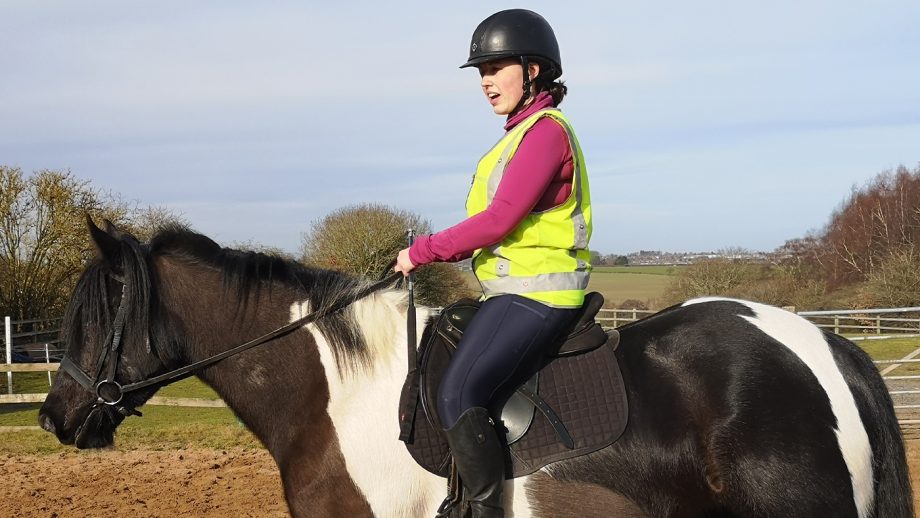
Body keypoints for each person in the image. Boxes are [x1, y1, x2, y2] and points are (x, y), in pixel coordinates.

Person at [394, 9, 592, 518]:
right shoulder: (516, 134)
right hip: (510, 294)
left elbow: (499, 219)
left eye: (496, 67)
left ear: (532, 71)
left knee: (458, 392)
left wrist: (423, 251)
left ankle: (483, 513)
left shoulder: (546, 132)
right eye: (481, 72)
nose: (485, 81)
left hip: (540, 295)